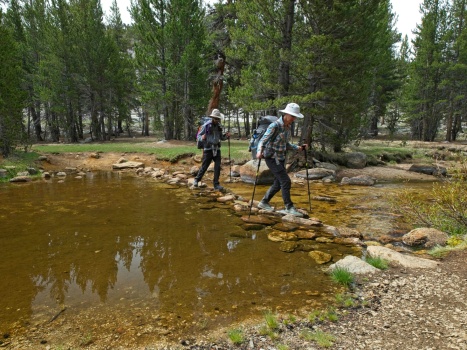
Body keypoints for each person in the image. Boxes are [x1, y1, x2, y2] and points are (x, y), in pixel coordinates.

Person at [255, 103, 308, 217]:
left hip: (281, 158)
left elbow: (285, 144)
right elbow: (263, 140)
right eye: (293, 116)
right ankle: (288, 207)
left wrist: (297, 147)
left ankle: (264, 202)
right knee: (286, 181)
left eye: (295, 117)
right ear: (286, 114)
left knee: (278, 183)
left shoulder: (287, 128)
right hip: (272, 158)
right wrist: (259, 151)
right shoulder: (275, 126)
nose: (294, 119)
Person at [193, 109, 230, 190]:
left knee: (217, 167)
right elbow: (198, 136)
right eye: (216, 118)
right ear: (213, 118)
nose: (217, 120)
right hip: (208, 149)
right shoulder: (206, 125)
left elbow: (221, 137)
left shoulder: (219, 126)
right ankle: (196, 180)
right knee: (205, 166)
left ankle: (216, 184)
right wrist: (202, 137)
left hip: (217, 149)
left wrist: (226, 136)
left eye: (218, 118)